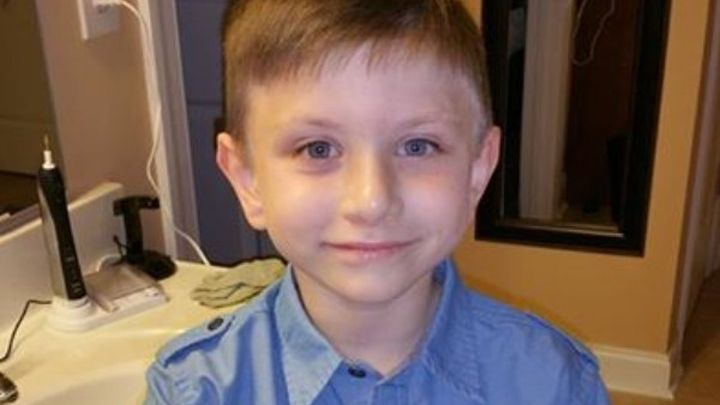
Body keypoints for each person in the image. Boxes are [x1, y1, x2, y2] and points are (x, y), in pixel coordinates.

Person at [145, 0, 610, 403]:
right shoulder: (192, 391)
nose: (370, 201)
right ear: (247, 180)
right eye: (317, 149)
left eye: (417, 146)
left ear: (477, 169)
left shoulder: (554, 383)